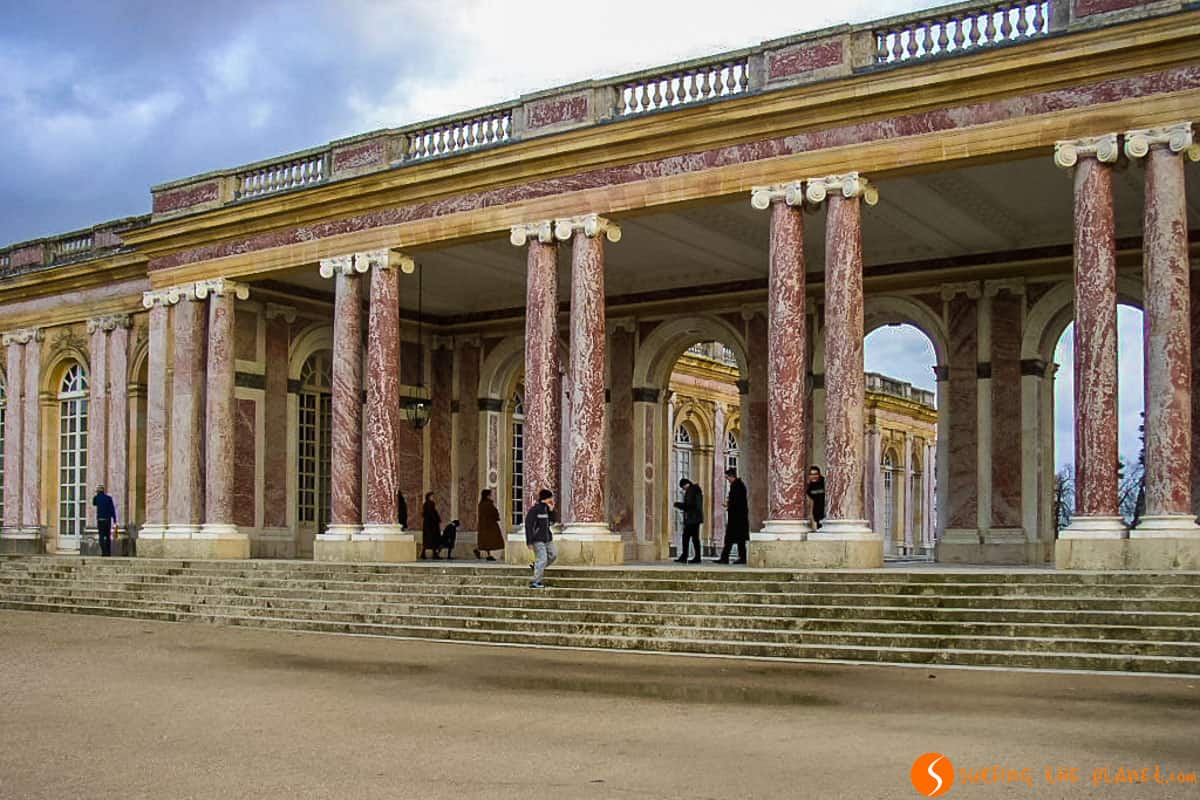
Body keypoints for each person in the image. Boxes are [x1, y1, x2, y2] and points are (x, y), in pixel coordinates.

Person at [715, 468, 749, 564]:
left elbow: (736, 501)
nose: (727, 480)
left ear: (731, 476)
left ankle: (725, 558)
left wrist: (728, 505)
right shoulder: (739, 485)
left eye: (727, 478)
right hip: (739, 517)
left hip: (736, 518)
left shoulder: (736, 486)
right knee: (739, 539)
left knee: (731, 539)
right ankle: (739, 557)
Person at [524, 489, 556, 589]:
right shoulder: (535, 510)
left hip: (547, 538)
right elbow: (529, 525)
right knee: (542, 559)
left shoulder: (547, 509)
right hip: (537, 539)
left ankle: (536, 566)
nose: (552, 499)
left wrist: (552, 511)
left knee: (553, 555)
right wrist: (529, 541)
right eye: (551, 497)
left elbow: (553, 521)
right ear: (547, 498)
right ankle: (535, 581)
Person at [673, 478, 704, 564]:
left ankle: (686, 556)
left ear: (686, 484)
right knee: (694, 538)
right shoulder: (695, 490)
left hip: (692, 519)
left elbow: (690, 505)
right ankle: (695, 556)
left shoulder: (691, 491)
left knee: (687, 537)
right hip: (695, 518)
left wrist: (679, 505)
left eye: (683, 487)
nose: (684, 489)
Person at [475, 489, 504, 561]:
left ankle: (488, 554)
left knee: (485, 541)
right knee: (493, 540)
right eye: (490, 495)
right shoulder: (489, 504)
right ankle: (488, 554)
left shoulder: (481, 504)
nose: (491, 496)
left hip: (483, 525)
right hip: (490, 525)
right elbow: (494, 513)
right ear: (487, 496)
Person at [92, 486, 116, 557]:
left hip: (100, 520)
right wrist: (114, 519)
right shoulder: (109, 498)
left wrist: (96, 494)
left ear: (98, 491)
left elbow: (94, 503)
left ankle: (103, 552)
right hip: (107, 520)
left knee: (101, 536)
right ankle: (108, 552)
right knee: (108, 536)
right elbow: (112, 509)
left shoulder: (96, 498)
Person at [421, 492, 442, 559]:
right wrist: (436, 520)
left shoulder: (426, 504)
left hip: (427, 525)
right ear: (429, 497)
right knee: (433, 540)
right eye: (432, 496)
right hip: (432, 525)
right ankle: (434, 554)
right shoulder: (430, 504)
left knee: (427, 540)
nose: (433, 497)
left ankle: (423, 553)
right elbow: (432, 514)